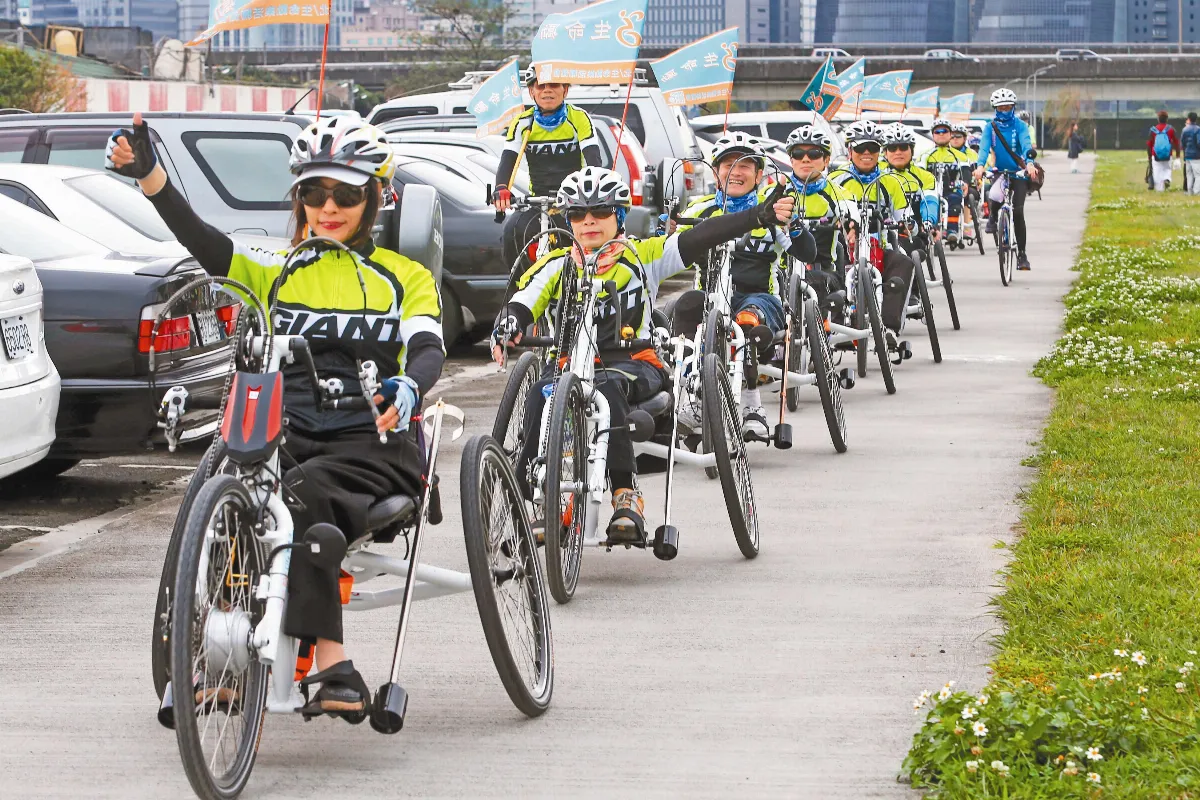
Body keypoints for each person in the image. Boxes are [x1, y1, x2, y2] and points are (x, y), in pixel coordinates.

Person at [107, 113, 445, 720]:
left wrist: (409, 386)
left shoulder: (406, 278)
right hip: (287, 436)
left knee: (300, 496)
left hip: (372, 443)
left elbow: (426, 348)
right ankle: (261, 659)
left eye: (347, 194)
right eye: (314, 193)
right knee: (243, 495)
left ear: (376, 198)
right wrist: (151, 176)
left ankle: (321, 662)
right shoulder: (277, 270)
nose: (329, 207)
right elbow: (204, 244)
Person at [492, 167, 795, 543]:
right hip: (571, 366)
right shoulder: (556, 266)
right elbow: (525, 300)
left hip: (634, 364)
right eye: (578, 214)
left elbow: (700, 236)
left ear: (618, 217)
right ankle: (538, 499)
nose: (588, 222)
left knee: (606, 389)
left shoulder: (642, 256)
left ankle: (625, 494)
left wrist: (754, 217)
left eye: (600, 212)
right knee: (541, 395)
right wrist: (509, 323)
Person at [676, 132, 816, 438]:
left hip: (760, 299)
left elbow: (807, 253)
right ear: (716, 172)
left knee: (748, 319)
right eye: (728, 164)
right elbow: (670, 255)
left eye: (745, 166)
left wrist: (794, 226)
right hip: (711, 299)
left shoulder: (774, 211)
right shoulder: (698, 211)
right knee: (685, 305)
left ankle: (753, 404)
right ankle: (693, 395)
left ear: (759, 175)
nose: (736, 172)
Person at [494, 69, 604, 271]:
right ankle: (520, 288)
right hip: (538, 200)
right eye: (540, 86)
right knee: (512, 231)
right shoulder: (522, 123)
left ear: (565, 90)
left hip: (573, 201)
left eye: (553, 85)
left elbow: (593, 159)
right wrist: (501, 188)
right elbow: (507, 160)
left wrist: (596, 188)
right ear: (531, 92)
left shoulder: (579, 118)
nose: (547, 91)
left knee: (584, 241)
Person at [829, 120, 916, 361]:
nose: (867, 155)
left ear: (880, 151)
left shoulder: (891, 181)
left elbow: (905, 217)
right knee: (830, 271)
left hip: (881, 247)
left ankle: (889, 328)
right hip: (845, 248)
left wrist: (908, 225)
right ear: (850, 151)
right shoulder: (837, 180)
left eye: (873, 149)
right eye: (860, 149)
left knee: (905, 263)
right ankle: (837, 327)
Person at [783, 124, 851, 318]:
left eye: (814, 153)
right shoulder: (774, 193)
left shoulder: (839, 193)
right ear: (791, 159)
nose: (805, 159)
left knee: (816, 280)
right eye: (798, 153)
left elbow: (851, 210)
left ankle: (819, 335)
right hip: (781, 271)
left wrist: (852, 222)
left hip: (823, 270)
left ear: (826, 160)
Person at [974, 88, 1038, 271]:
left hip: (1018, 173)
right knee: (993, 196)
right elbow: (984, 148)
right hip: (999, 171)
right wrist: (980, 167)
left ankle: (1022, 256)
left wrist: (1030, 163)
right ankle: (993, 217)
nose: (1004, 110)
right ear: (995, 108)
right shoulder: (990, 127)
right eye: (1001, 107)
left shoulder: (1020, 126)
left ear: (1013, 106)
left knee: (1018, 212)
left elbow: (1026, 145)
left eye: (1008, 106)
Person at [881, 123, 939, 256]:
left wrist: (928, 220)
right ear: (885, 152)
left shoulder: (925, 176)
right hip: (882, 229)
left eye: (903, 147)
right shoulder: (877, 175)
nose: (898, 152)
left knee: (914, 251)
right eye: (892, 148)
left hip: (913, 230)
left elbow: (930, 202)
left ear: (911, 150)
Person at [922, 118, 974, 244]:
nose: (941, 134)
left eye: (944, 131)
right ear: (933, 135)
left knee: (955, 198)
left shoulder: (959, 155)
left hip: (951, 188)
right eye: (937, 132)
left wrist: (965, 183)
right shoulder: (925, 154)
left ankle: (952, 231)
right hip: (932, 189)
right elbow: (918, 173)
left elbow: (966, 171)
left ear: (950, 134)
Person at [1146, 110, 1181, 192]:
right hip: (1168, 154)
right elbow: (1177, 143)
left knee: (1157, 171)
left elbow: (1149, 144)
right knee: (1167, 169)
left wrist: (1149, 156)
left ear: (1158, 119)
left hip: (1156, 155)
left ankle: (1160, 190)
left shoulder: (1153, 130)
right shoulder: (1171, 129)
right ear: (1167, 119)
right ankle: (1167, 179)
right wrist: (1178, 156)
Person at [1181, 112, 1200, 194]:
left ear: (1189, 119)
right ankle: (1197, 191)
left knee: (1189, 174)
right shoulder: (1198, 129)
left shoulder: (1185, 129)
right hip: (1196, 155)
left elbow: (1182, 142)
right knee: (1198, 174)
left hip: (1187, 155)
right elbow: (1199, 142)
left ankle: (1189, 191)